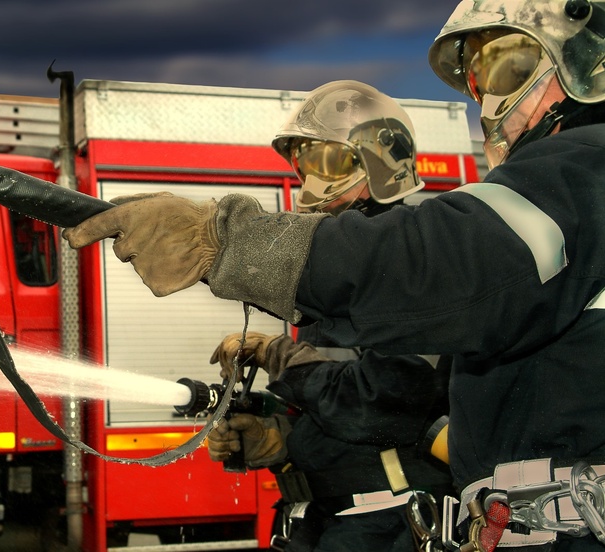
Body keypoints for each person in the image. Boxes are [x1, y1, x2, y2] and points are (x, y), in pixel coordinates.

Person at [63, 1, 605, 549]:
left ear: (588, 54)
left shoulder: (581, 172)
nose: (488, 102)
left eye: (505, 69)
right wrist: (281, 439)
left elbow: (387, 394)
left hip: (388, 519)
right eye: (477, 79)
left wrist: (225, 246)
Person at [203, 81, 453, 552]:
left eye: (329, 163)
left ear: (381, 161)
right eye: (305, 166)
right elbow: (330, 403)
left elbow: (382, 405)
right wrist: (276, 439)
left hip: (389, 520)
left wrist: (280, 356)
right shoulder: (335, 272)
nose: (313, 186)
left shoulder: (417, 262)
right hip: (321, 518)